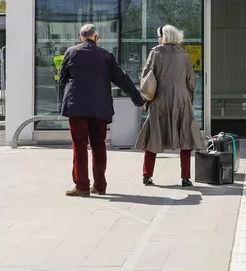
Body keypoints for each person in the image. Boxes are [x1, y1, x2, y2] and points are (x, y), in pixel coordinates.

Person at [60, 23, 145, 197]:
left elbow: (62, 78)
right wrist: (138, 99)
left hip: (77, 107)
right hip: (100, 107)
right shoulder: (106, 56)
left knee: (79, 145)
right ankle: (100, 185)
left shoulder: (71, 52)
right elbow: (122, 79)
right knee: (99, 145)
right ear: (96, 38)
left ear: (80, 37)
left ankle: (82, 186)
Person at [136, 24, 205, 187]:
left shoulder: (155, 53)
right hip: (181, 100)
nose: (158, 39)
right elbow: (191, 82)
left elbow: (146, 78)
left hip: (159, 100)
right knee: (185, 138)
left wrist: (146, 100)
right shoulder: (184, 55)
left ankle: (147, 175)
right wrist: (188, 99)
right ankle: (186, 177)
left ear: (164, 37)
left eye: (159, 36)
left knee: (153, 137)